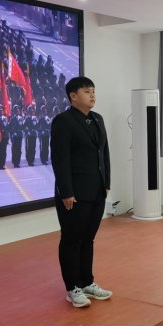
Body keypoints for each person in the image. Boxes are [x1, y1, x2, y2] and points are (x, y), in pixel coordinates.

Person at [51, 77, 112, 308]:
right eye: (87, 91)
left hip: (97, 190)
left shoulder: (97, 119)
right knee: (72, 240)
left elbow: (104, 154)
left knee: (88, 239)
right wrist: (66, 191)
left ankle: (87, 282)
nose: (92, 95)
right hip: (74, 194)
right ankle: (72, 288)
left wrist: (106, 182)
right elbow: (60, 159)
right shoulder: (63, 121)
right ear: (73, 96)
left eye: (93, 91)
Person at [0, 105, 9, 170]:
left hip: (5, 136)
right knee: (0, 150)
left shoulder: (5, 118)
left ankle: (3, 163)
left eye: (1, 110)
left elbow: (7, 127)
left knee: (4, 150)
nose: (1, 112)